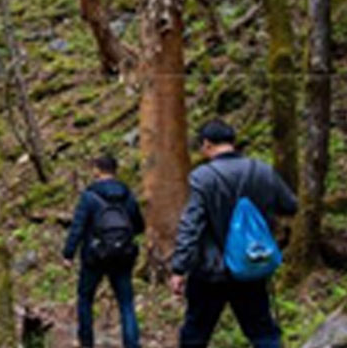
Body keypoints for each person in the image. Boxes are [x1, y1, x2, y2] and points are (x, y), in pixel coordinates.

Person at [170, 119, 298, 348]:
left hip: (211, 272)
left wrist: (179, 268)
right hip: (252, 264)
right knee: (263, 332)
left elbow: (191, 224)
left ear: (207, 144)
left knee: (195, 334)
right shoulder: (262, 170)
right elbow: (290, 205)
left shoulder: (203, 177)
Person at [62, 154, 144, 348]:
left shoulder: (89, 196)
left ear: (97, 170)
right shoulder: (128, 195)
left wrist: (68, 253)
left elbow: (78, 227)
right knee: (126, 303)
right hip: (123, 256)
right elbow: (139, 225)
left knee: (85, 299)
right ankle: (132, 344)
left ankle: (87, 341)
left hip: (94, 256)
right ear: (115, 171)